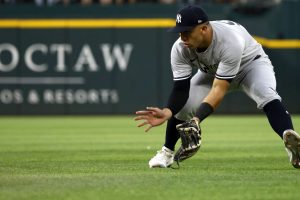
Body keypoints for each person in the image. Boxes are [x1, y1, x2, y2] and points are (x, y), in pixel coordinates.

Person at [134, 5, 300, 169]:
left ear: (204, 29)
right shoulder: (180, 48)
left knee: (266, 94)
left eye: (187, 32)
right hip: (212, 72)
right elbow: (181, 89)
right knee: (183, 107)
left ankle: (291, 141)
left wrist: (196, 120)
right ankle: (167, 153)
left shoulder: (229, 41)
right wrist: (168, 111)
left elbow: (219, 89)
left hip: (250, 66)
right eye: (180, 31)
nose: (182, 37)